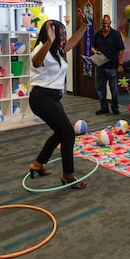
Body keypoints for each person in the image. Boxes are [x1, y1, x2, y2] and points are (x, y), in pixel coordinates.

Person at [28, 19, 90, 189]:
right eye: (60, 33)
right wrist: (49, 41)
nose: (64, 36)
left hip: (52, 99)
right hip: (41, 98)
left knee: (60, 133)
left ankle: (38, 164)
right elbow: (36, 62)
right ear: (50, 34)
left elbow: (72, 42)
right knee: (68, 134)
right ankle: (68, 175)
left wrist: (84, 26)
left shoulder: (58, 51)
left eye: (64, 33)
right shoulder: (41, 49)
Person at [92, 15, 125, 115]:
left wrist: (120, 64)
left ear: (110, 22)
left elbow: (121, 50)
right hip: (100, 66)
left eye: (107, 23)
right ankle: (104, 108)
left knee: (113, 89)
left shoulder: (116, 35)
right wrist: (94, 51)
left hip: (112, 66)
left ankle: (115, 107)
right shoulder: (97, 35)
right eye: (104, 23)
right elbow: (93, 47)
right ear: (102, 23)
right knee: (100, 89)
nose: (105, 25)